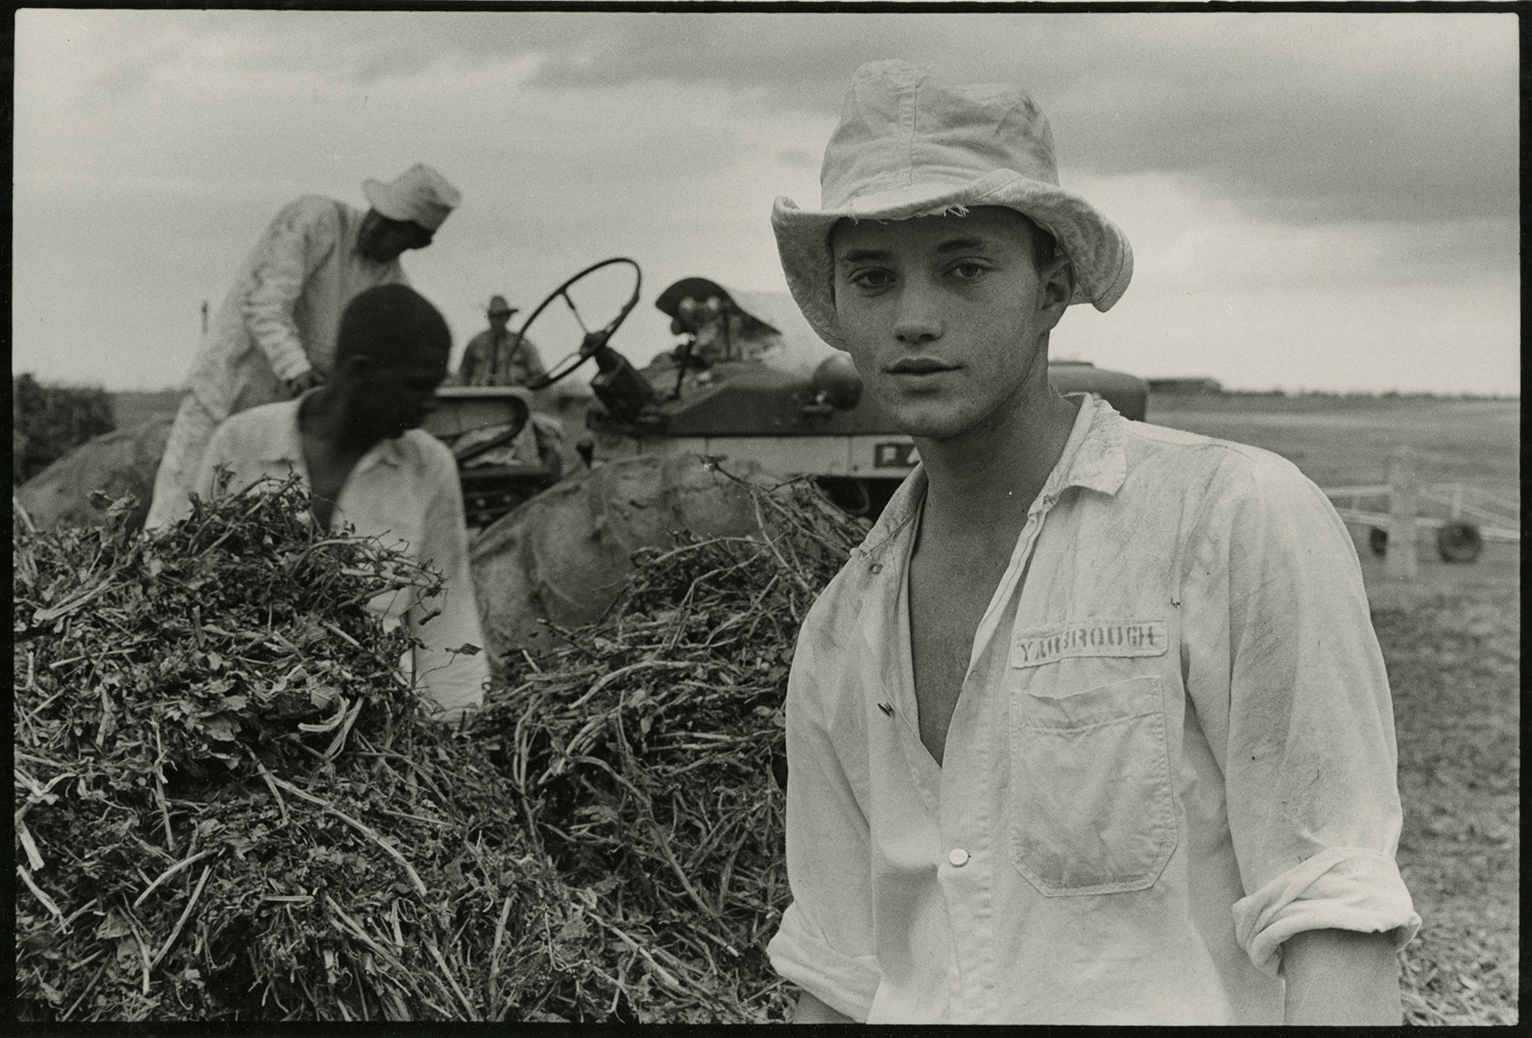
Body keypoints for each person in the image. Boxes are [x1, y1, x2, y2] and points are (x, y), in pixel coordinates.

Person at [764, 60, 1419, 1026]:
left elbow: (1334, 913)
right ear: (839, 305)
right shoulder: (841, 627)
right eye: (873, 277)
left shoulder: (1231, 517)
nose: (912, 318)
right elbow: (838, 971)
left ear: (1052, 283)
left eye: (964, 266)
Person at [189, 284, 488, 724]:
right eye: (417, 386)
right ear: (360, 373)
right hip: (240, 709)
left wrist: (459, 727)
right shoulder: (243, 443)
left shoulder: (428, 466)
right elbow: (189, 583)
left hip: (373, 720)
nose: (430, 405)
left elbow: (448, 613)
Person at [145, 164, 461, 530]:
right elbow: (264, 302)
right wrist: (298, 370)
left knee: (257, 540)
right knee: (175, 517)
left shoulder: (391, 285)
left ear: (418, 241)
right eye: (379, 215)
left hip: (280, 432)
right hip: (226, 394)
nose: (377, 230)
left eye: (395, 229)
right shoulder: (316, 220)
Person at [453, 295, 547, 387]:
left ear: (508, 317)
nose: (498, 320)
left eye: (501, 316)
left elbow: (539, 375)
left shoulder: (522, 344)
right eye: (494, 316)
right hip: (481, 398)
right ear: (489, 317)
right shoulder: (476, 343)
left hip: (513, 398)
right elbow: (463, 374)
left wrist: (526, 387)